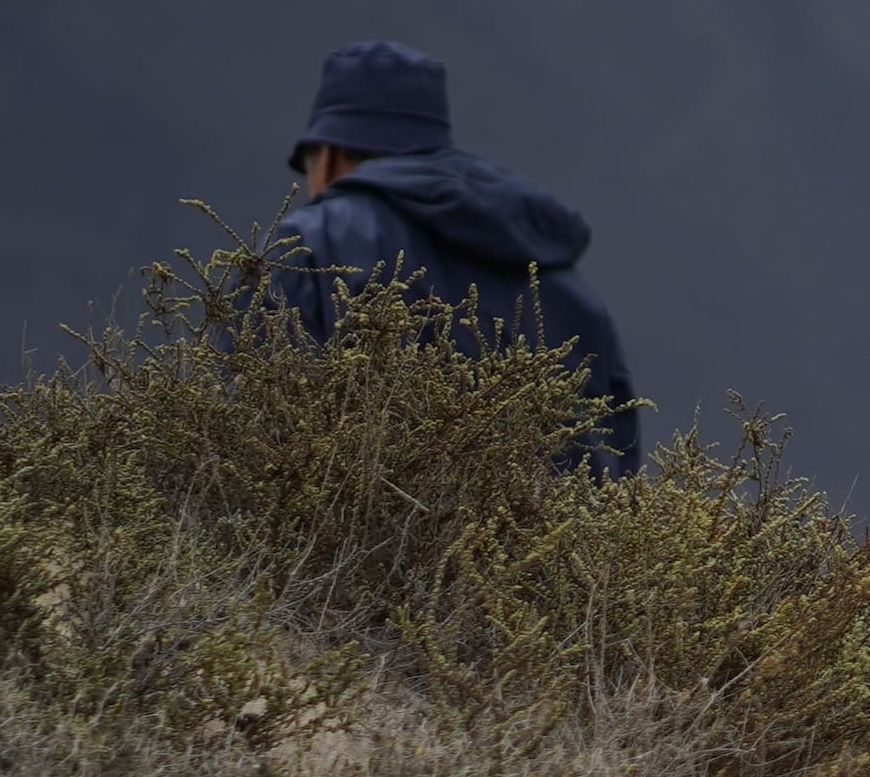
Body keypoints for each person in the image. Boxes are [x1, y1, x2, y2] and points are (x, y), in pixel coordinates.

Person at [262, 39, 644, 475]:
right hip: (547, 540)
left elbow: (252, 430)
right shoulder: (559, 276)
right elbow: (616, 459)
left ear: (327, 157)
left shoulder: (310, 247)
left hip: (352, 539)